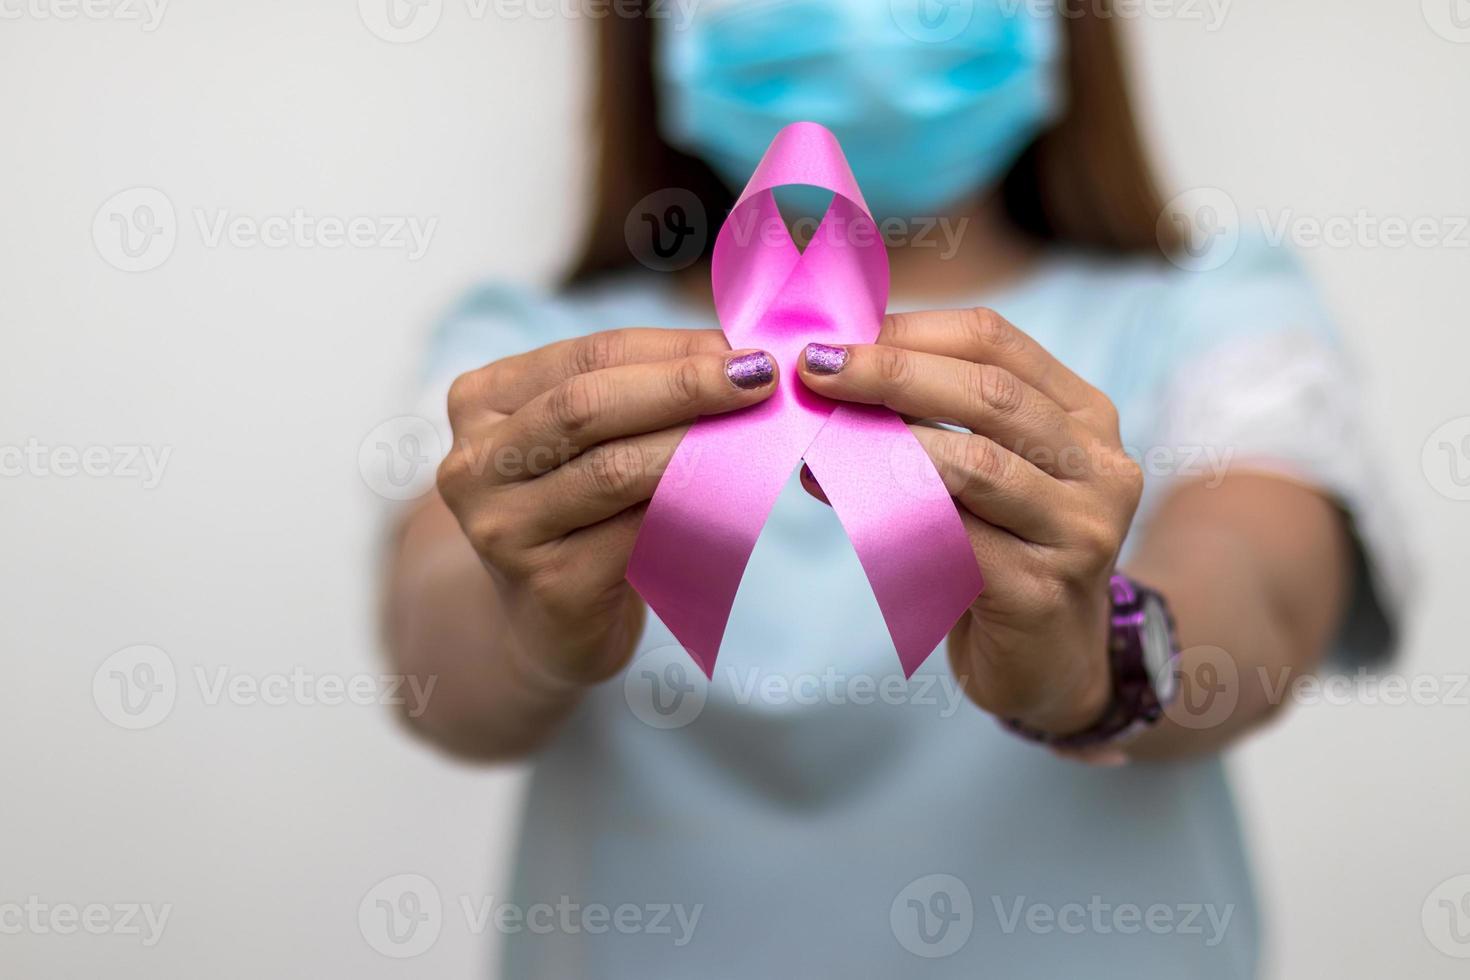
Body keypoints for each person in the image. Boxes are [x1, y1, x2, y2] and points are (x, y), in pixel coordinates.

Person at [384, 2, 1405, 976]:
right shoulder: (522, 351)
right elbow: (437, 654)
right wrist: (529, 628)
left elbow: (1263, 594)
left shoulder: (1211, 311)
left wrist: (1089, 660)